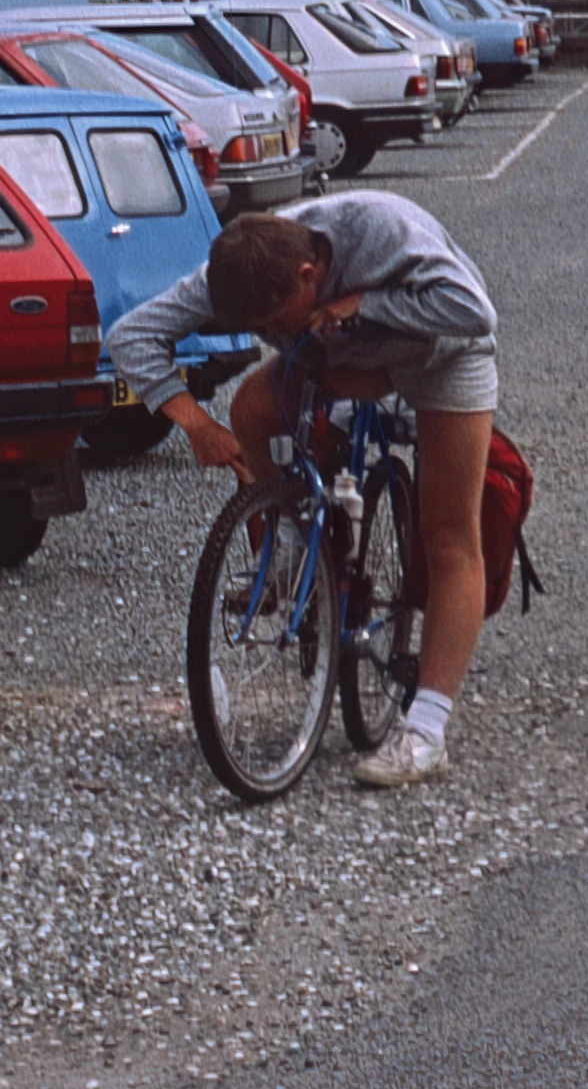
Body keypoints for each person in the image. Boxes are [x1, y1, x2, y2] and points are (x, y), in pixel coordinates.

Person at [112, 195, 499, 790]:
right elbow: (130, 334)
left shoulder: (381, 230)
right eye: (260, 331)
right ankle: (291, 541)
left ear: (309, 276)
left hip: (441, 354)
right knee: (249, 406)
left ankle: (426, 729)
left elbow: (475, 311)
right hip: (337, 361)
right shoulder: (239, 272)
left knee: (448, 535)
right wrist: (193, 422)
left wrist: (368, 303)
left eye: (276, 323)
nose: (270, 335)